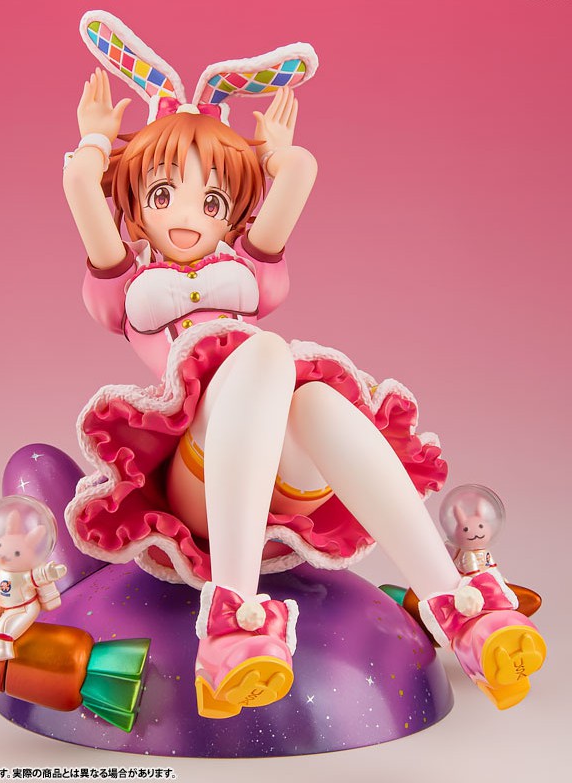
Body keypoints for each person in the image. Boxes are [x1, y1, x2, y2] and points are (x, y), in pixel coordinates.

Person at [62, 10, 545, 717]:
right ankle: (233, 614)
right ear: (135, 202)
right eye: (163, 194)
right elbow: (81, 186)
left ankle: (458, 607)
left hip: (281, 471)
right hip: (200, 475)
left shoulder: (246, 268)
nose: (187, 214)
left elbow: (301, 173)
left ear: (233, 212)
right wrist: (96, 139)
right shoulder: (126, 283)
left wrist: (274, 150)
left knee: (315, 398)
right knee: (267, 351)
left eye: (212, 198)